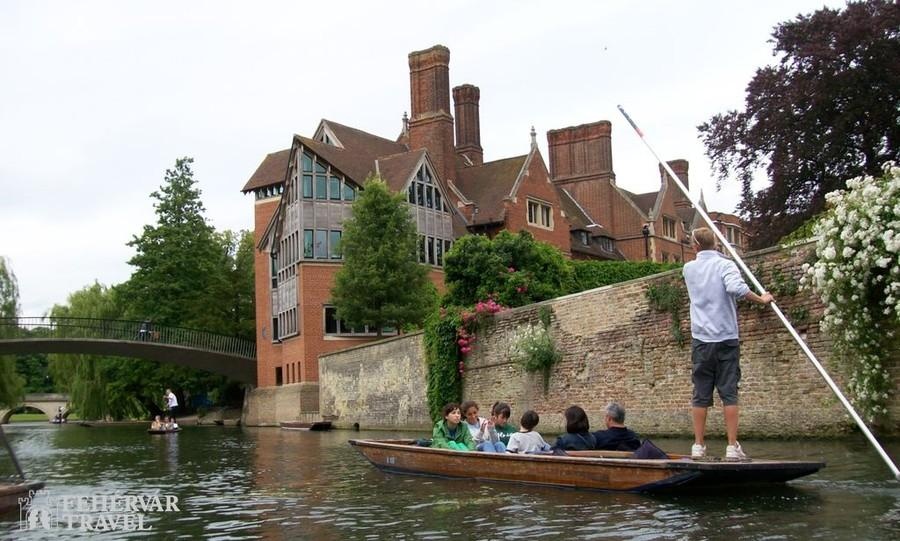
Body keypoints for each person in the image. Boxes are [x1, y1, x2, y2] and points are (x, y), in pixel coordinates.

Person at [683, 227, 774, 460]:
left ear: (695, 246)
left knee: (700, 393)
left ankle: (698, 445)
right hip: (726, 338)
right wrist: (762, 299)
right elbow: (735, 288)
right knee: (729, 393)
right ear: (715, 243)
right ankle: (732, 447)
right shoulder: (725, 265)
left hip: (701, 340)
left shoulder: (688, 269)